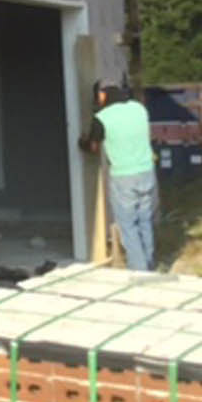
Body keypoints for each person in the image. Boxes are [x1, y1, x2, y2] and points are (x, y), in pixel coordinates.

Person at [79, 83, 159, 271]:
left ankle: (140, 271)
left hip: (124, 176)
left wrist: (82, 142)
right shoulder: (139, 109)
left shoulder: (102, 118)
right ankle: (149, 262)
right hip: (147, 171)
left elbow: (93, 147)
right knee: (145, 220)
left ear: (103, 96)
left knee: (128, 224)